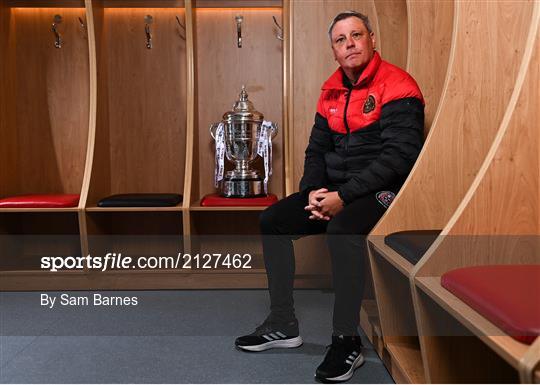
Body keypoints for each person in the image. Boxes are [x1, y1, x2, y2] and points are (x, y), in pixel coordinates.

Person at [235, 10, 424, 383]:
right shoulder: (330, 90)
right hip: (337, 191)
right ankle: (283, 324)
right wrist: (314, 193)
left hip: (383, 191)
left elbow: (399, 157)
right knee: (272, 221)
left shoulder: (398, 85)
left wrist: (344, 196)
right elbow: (316, 150)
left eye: (356, 35)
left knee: (342, 230)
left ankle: (345, 340)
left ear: (372, 39)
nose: (349, 44)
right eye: (341, 40)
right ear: (334, 51)